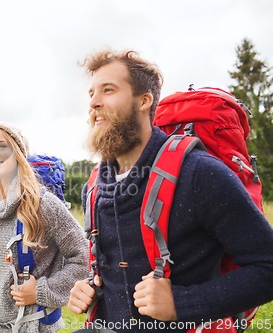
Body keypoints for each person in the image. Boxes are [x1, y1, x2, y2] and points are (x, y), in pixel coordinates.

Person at [67, 49, 273, 332]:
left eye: (108, 90)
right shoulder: (94, 187)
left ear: (144, 101)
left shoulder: (199, 173)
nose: (94, 103)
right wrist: (89, 287)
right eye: (91, 94)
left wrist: (181, 303)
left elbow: (268, 268)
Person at [0, 122, 89, 332]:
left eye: (2, 146)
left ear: (19, 154)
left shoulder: (43, 205)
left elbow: (84, 257)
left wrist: (41, 291)